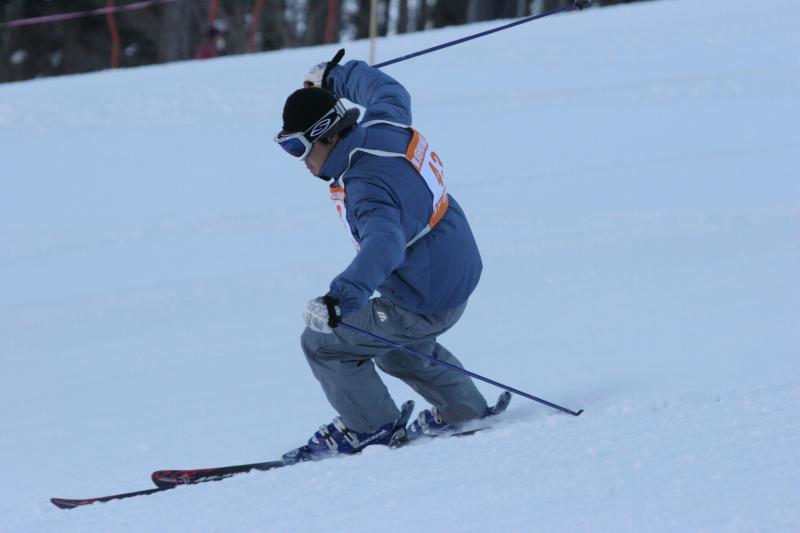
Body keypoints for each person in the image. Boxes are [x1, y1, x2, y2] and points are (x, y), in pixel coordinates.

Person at [274, 54, 505, 463]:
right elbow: (388, 90)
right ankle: (465, 410)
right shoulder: (385, 125)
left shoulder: (365, 185)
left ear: (328, 136)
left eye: (297, 147)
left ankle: (369, 428)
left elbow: (385, 244)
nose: (300, 161)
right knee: (391, 344)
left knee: (323, 343)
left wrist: (338, 300)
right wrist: (335, 76)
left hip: (425, 292)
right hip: (456, 268)